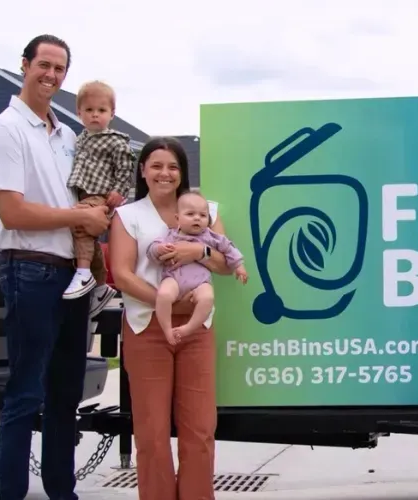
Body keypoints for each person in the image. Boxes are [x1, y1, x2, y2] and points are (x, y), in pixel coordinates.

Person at [0, 34, 111, 500]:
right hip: (29, 271)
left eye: (59, 69)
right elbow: (13, 212)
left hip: (74, 275)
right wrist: (81, 217)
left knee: (65, 395)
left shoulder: (69, 136)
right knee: (25, 395)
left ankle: (61, 492)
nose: (51, 75)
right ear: (24, 65)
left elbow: (85, 199)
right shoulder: (6, 129)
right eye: (44, 65)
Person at [107, 137, 242, 500]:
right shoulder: (128, 216)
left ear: (182, 172)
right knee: (151, 433)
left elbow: (225, 265)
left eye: (173, 167)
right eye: (156, 165)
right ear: (143, 171)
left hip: (196, 331)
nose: (165, 173)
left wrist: (198, 249)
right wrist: (167, 302)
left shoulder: (207, 211)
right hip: (147, 328)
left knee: (199, 429)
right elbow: (122, 275)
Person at [63, 80, 135, 300]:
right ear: (79, 113)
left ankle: (84, 272)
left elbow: (126, 166)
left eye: (101, 110)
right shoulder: (79, 139)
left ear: (112, 113)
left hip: (101, 195)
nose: (95, 115)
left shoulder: (115, 141)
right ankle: (101, 286)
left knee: (80, 224)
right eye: (89, 110)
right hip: (83, 194)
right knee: (90, 239)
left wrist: (119, 191)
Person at [149, 191, 247, 345]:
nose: (197, 218)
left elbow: (229, 248)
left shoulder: (211, 236)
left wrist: (239, 266)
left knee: (207, 298)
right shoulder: (171, 235)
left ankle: (188, 328)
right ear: (177, 218)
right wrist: (159, 249)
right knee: (163, 295)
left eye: (203, 215)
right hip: (174, 277)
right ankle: (167, 330)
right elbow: (152, 250)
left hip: (200, 282)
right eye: (190, 214)